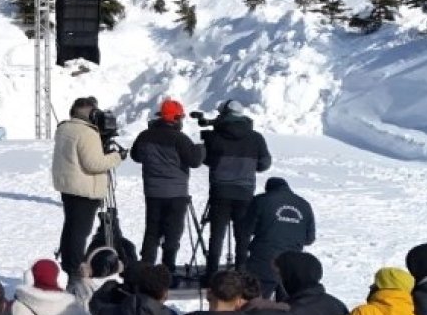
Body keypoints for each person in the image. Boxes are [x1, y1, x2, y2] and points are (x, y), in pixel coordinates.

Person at [52, 97, 125, 276]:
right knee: (79, 233)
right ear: (92, 114)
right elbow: (94, 163)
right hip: (84, 190)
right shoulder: (87, 133)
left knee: (70, 228)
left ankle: (68, 265)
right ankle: (75, 270)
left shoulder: (64, 128)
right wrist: (117, 157)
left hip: (69, 186)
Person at [130, 99, 204, 272]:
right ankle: (167, 268)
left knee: (152, 231)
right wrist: (201, 149)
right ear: (176, 118)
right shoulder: (180, 138)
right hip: (176, 194)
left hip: (153, 192)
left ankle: (146, 268)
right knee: (172, 232)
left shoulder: (145, 135)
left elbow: (135, 156)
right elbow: (194, 161)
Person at [201, 100, 271, 279]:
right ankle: (242, 271)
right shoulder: (256, 138)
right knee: (243, 234)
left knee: (217, 234)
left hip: (220, 190)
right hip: (245, 192)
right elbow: (264, 164)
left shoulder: (215, 137)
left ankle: (212, 273)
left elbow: (207, 160)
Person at [244, 178, 315, 300]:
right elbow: (309, 239)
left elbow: (247, 229)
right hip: (292, 263)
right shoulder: (305, 205)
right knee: (287, 307)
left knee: (255, 302)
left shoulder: (261, 200)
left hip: (263, 258)